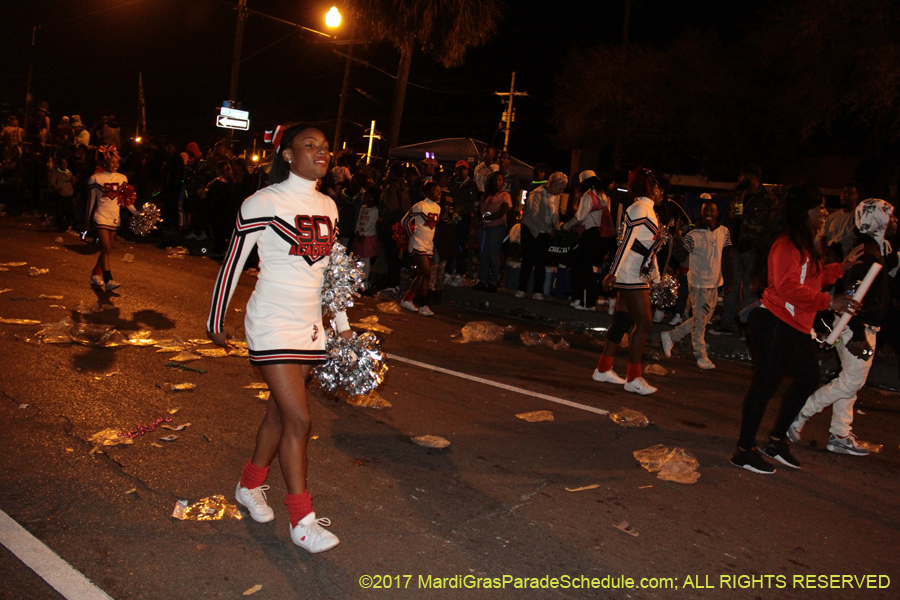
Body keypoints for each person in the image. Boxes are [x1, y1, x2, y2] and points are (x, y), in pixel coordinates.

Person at [206, 124, 348, 553]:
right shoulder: (263, 202)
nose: (321, 152)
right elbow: (233, 264)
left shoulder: (329, 206)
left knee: (279, 415)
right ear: (287, 155)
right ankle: (301, 519)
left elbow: (330, 275)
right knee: (300, 420)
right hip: (271, 321)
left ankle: (249, 485)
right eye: (310, 146)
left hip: (308, 326)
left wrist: (341, 327)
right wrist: (215, 319)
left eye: (325, 147)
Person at [731, 184, 863, 474]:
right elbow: (787, 288)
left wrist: (841, 266)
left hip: (796, 326)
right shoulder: (787, 244)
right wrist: (830, 302)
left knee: (807, 380)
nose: (825, 213)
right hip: (776, 323)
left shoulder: (805, 244)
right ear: (804, 213)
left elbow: (811, 278)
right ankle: (744, 450)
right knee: (765, 386)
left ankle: (776, 441)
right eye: (820, 208)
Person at [788, 199, 897, 456]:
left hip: (860, 326)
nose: (895, 221)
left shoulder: (876, 249)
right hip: (856, 327)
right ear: (877, 220)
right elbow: (853, 295)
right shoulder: (867, 253)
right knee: (850, 382)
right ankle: (799, 413)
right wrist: (857, 333)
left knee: (850, 383)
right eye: (891, 216)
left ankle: (840, 434)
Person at [593, 168, 665, 395]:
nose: (660, 191)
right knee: (644, 323)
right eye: (657, 187)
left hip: (634, 271)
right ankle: (634, 377)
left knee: (623, 320)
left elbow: (646, 249)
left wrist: (656, 278)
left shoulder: (646, 209)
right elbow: (626, 242)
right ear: (651, 188)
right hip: (629, 273)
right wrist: (613, 272)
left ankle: (603, 368)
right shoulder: (640, 208)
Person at [661, 199, 733, 369]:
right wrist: (678, 239)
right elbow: (680, 256)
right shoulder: (693, 235)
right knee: (700, 323)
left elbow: (728, 257)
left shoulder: (724, 232)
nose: (708, 213)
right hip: (699, 284)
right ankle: (700, 355)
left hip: (715, 283)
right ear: (701, 213)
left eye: (711, 210)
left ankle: (671, 336)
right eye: (705, 210)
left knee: (702, 319)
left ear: (717, 213)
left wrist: (730, 280)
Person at [715, 164, 777, 335]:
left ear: (754, 178)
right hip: (735, 248)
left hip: (754, 251)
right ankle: (728, 324)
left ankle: (748, 329)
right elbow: (729, 221)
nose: (739, 179)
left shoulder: (768, 199)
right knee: (731, 286)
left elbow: (772, 228)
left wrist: (764, 251)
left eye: (743, 176)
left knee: (750, 289)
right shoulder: (738, 196)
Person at [86, 146, 138, 291]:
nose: (115, 165)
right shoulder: (95, 178)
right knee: (106, 247)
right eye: (112, 162)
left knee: (106, 250)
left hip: (114, 217)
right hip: (100, 216)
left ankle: (96, 273)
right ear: (105, 162)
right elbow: (90, 201)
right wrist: (87, 219)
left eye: (117, 162)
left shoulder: (122, 178)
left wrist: (138, 214)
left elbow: (126, 201)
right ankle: (108, 279)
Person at [566, 171, 618, 310]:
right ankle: (583, 299)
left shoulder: (588, 196)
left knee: (582, 267)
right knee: (585, 266)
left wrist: (565, 226)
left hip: (590, 234)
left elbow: (579, 217)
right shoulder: (605, 197)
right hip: (602, 237)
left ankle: (585, 302)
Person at [516, 171, 567, 299]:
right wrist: (548, 229)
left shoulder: (554, 196)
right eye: (560, 188)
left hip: (545, 232)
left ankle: (538, 290)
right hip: (531, 229)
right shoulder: (537, 193)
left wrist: (557, 228)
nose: (561, 191)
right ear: (554, 184)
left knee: (540, 261)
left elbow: (555, 215)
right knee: (528, 259)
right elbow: (534, 215)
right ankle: (522, 288)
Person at [399, 180, 441, 315]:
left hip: (429, 244)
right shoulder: (420, 206)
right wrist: (411, 235)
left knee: (421, 274)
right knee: (427, 273)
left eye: (440, 191)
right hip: (417, 243)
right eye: (436, 191)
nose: (439, 194)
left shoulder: (438, 208)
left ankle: (407, 299)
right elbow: (404, 220)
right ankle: (424, 305)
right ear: (428, 192)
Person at [474, 171, 511, 292]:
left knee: (493, 254)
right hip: (484, 227)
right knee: (484, 254)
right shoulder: (486, 195)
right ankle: (482, 280)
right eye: (495, 180)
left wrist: (486, 219)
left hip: (496, 227)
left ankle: (493, 282)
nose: (497, 182)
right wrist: (480, 220)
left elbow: (502, 212)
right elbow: (479, 209)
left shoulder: (505, 195)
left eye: (500, 180)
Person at [446, 160, 478, 284]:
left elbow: (470, 202)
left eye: (463, 169)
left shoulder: (471, 185)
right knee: (449, 245)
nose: (461, 171)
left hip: (463, 218)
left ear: (467, 170)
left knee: (460, 245)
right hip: (450, 217)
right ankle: (448, 272)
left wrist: (458, 211)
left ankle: (459, 272)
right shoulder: (451, 183)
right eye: (459, 168)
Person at [349, 187, 381, 289]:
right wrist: (357, 232)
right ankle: (357, 280)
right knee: (357, 258)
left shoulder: (374, 210)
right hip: (360, 236)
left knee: (365, 261)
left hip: (368, 237)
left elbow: (371, 224)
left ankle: (364, 282)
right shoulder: (363, 208)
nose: (363, 197)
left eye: (366, 195)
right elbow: (359, 221)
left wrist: (364, 234)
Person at [822, 184, 861, 257]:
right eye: (844, 192)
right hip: (832, 258)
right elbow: (823, 238)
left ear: (857, 197)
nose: (846, 195)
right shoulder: (832, 217)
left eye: (850, 193)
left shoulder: (859, 217)